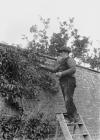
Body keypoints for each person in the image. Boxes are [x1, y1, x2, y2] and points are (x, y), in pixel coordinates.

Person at [40, 46, 79, 123]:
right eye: (60, 52)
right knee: (68, 99)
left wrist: (61, 73)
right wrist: (43, 66)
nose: (60, 53)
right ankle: (75, 116)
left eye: (61, 52)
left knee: (68, 99)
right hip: (63, 81)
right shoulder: (61, 62)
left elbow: (73, 69)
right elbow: (54, 70)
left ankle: (71, 118)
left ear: (65, 52)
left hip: (69, 80)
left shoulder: (69, 59)